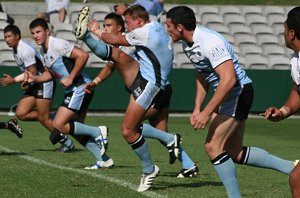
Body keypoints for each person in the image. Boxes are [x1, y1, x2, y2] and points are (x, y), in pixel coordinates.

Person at [165, 6, 298, 197]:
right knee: (233, 152)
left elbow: (229, 80)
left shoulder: (209, 42)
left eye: (168, 25)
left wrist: (206, 112)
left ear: (179, 27)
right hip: (231, 93)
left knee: (213, 147)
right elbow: (203, 74)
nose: (167, 30)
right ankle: (292, 167)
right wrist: (197, 108)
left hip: (237, 91)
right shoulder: (188, 44)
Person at [75, 5, 193, 191]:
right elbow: (114, 54)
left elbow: (112, 41)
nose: (127, 26)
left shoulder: (143, 33)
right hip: (149, 81)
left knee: (128, 130)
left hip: (150, 84)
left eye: (128, 22)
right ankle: (178, 153)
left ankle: (150, 169)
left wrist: (94, 31)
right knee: (138, 127)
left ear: (138, 21)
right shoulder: (152, 27)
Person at [26, 18, 113, 169]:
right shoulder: (42, 51)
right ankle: (103, 160)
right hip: (73, 90)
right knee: (76, 130)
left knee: (59, 125)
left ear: (47, 31)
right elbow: (49, 75)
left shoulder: (57, 44)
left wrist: (71, 77)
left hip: (80, 87)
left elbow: (83, 56)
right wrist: (35, 78)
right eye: (33, 33)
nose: (35, 36)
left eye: (38, 32)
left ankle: (98, 131)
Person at [1, 24, 75, 153]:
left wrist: (13, 80)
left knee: (43, 118)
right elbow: (29, 73)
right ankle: (55, 116)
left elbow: (33, 72)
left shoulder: (24, 49)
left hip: (44, 82)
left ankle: (67, 143)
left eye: (9, 36)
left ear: (17, 36)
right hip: (34, 83)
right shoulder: (16, 49)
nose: (6, 39)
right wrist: (26, 81)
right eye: (5, 37)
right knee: (21, 114)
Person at [260, 6, 300, 198]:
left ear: (292, 33)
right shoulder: (296, 60)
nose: (283, 33)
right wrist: (283, 111)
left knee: (297, 178)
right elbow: (297, 92)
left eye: (284, 29)